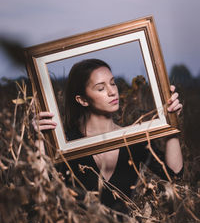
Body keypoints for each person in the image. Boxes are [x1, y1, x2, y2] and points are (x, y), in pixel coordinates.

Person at [33, 59, 183, 212]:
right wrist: (40, 139)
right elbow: (41, 198)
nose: (112, 91)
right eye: (100, 88)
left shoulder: (133, 138)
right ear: (83, 100)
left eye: (113, 83)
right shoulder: (67, 143)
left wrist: (172, 123)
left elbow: (174, 176)